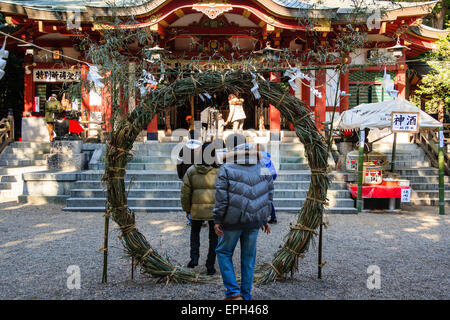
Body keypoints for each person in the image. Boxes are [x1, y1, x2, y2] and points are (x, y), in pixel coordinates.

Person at [213, 142, 273, 300]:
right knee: (248, 257)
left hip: (232, 219)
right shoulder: (263, 167)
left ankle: (233, 291)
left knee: (223, 252)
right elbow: (268, 195)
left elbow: (221, 198)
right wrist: (264, 217)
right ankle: (246, 295)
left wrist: (217, 219)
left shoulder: (226, 168)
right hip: (254, 220)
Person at [180, 142, 219, 275]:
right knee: (214, 237)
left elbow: (185, 192)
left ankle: (194, 259)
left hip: (196, 210)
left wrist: (187, 209)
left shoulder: (191, 170)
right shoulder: (218, 172)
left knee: (194, 234)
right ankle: (210, 265)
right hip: (214, 210)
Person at [177, 139, 202, 226]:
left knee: (188, 197)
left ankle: (190, 218)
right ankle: (201, 218)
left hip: (186, 177)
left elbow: (178, 164)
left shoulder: (183, 149)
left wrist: (180, 175)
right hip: (199, 177)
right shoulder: (201, 148)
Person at [256, 144, 278, 224]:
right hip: (271, 177)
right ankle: (273, 216)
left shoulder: (259, 159)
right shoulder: (267, 158)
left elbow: (260, 170)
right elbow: (272, 170)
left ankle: (263, 217)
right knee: (268, 198)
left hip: (264, 179)